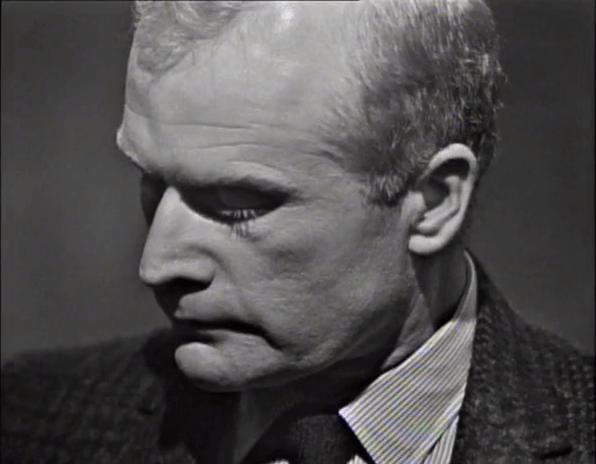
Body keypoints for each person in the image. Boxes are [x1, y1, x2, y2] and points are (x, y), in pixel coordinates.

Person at [2, 1, 593, 463]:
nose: (157, 263)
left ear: (434, 202)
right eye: (152, 183)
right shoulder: (30, 419)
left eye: (237, 202)